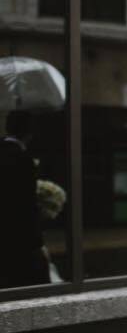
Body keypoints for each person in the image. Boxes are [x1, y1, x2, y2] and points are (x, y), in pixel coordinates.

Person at [0, 110, 50, 289]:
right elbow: (25, 205)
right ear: (30, 132)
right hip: (18, 238)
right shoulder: (23, 160)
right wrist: (38, 243)